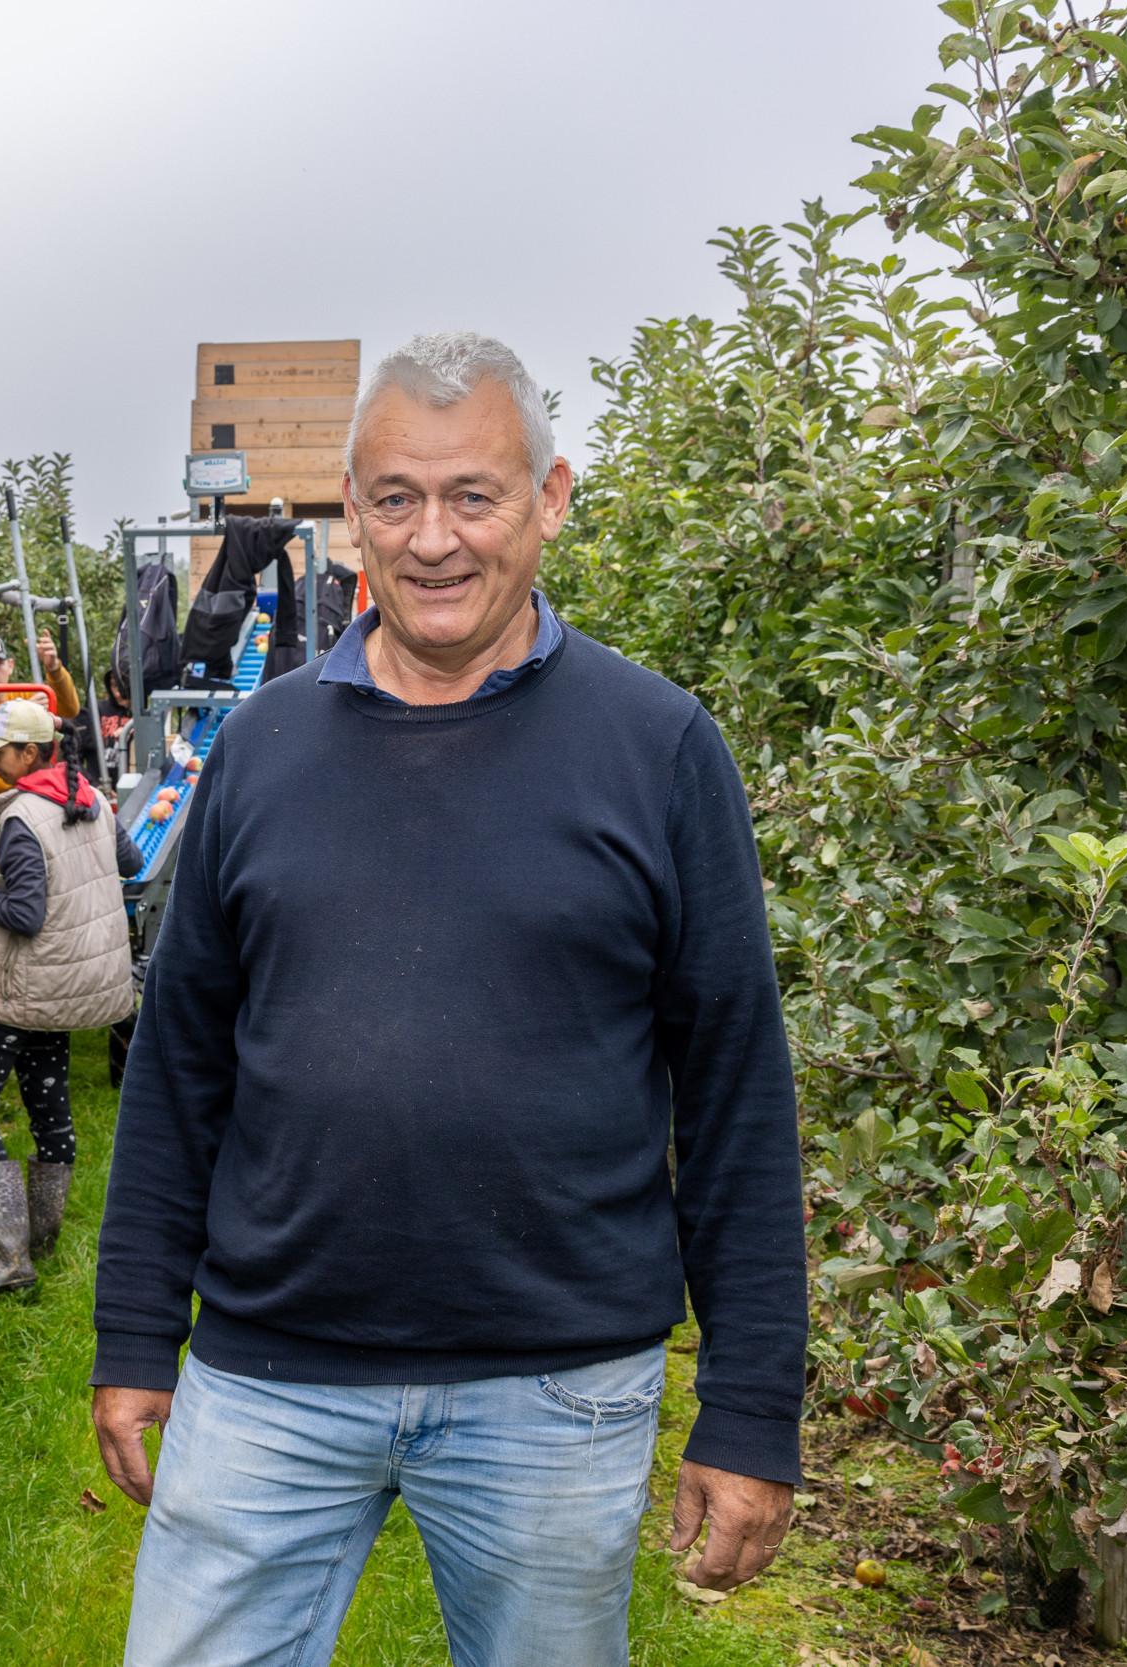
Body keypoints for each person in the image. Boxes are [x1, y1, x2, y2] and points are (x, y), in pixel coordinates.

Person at [90, 331, 806, 1667]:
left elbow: (734, 1093)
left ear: (551, 498)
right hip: (269, 1373)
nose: (433, 538)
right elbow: (182, 1067)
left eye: (474, 494)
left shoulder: (657, 749)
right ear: (352, 511)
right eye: (397, 497)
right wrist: (137, 1329)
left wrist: (754, 1402)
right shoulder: (260, 752)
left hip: (554, 1384)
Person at [0, 699, 141, 1294]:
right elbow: (129, 861)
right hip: (61, 992)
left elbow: (24, 915)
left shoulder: (24, 815)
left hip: (14, 992)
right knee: (49, 1108)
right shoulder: (88, 799)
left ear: (29, 753)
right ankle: (43, 1241)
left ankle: (8, 1258)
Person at [0, 629, 81, 796]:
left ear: (10, 665)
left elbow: (70, 711)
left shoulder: (25, 693)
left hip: (35, 792)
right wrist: (20, 715)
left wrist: (53, 667)